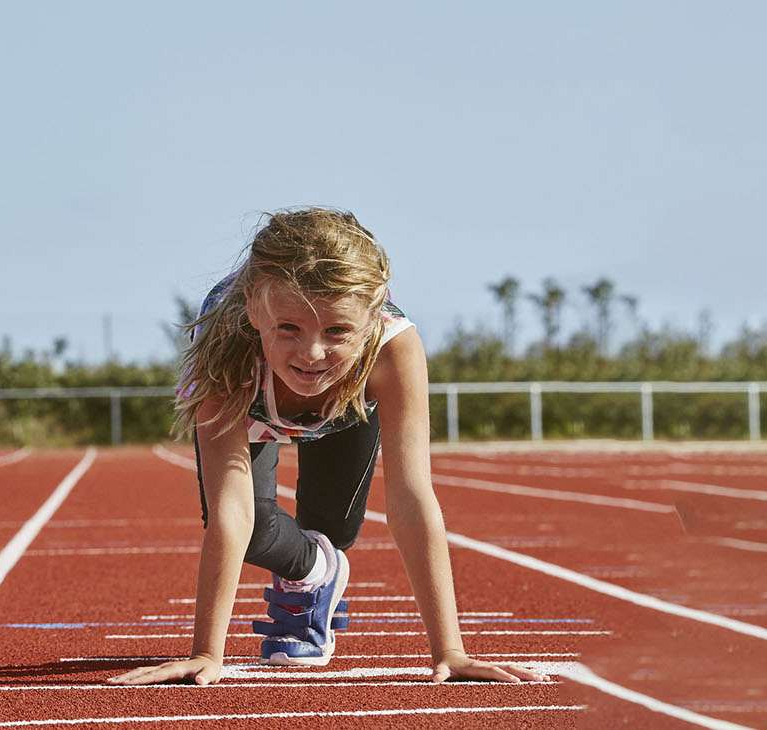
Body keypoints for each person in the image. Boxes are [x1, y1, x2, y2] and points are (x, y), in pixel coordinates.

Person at [109, 208, 547, 686]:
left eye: (337, 331)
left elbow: (411, 498)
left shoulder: (392, 351)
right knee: (248, 529)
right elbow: (230, 511)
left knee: (333, 529)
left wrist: (450, 649)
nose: (312, 355)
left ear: (371, 322)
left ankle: (312, 588)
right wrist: (206, 654)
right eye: (289, 329)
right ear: (256, 311)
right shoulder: (224, 349)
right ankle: (313, 571)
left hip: (348, 407)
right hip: (249, 397)